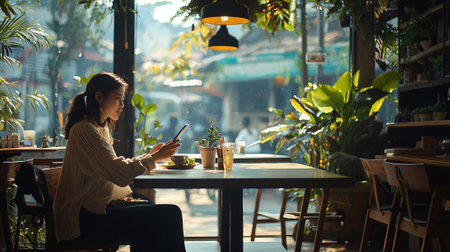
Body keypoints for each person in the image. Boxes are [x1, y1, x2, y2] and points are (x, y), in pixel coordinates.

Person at [53, 72, 186, 252]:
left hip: (97, 210)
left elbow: (113, 167)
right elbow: (119, 173)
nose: (122, 105)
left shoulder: (99, 128)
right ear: (99, 97)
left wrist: (151, 156)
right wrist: (153, 158)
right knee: (169, 215)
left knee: (150, 207)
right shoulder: (84, 130)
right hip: (83, 219)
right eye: (118, 98)